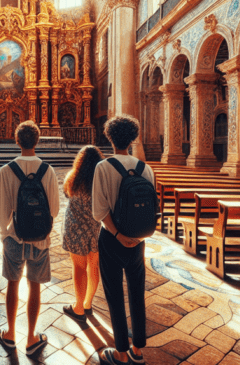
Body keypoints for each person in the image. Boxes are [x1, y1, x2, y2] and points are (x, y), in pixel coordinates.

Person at [0, 121, 59, 356]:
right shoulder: (48, 170)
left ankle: (10, 333)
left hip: (13, 237)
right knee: (34, 286)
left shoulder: (6, 169)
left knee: (12, 284)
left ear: (16, 140)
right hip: (40, 238)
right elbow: (55, 209)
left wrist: (5, 232)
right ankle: (31, 338)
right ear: (38, 140)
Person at [93, 115, 154, 365]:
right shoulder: (145, 168)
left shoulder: (103, 167)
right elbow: (151, 207)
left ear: (109, 137)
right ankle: (138, 350)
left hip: (111, 240)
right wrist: (136, 237)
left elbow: (99, 210)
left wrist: (118, 234)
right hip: (139, 241)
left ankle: (119, 353)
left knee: (114, 294)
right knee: (137, 293)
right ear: (133, 138)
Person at [62, 145, 103, 325]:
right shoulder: (102, 180)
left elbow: (66, 193)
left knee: (79, 267)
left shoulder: (72, 177)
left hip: (75, 227)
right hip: (94, 227)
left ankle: (78, 308)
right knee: (93, 266)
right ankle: (87, 304)